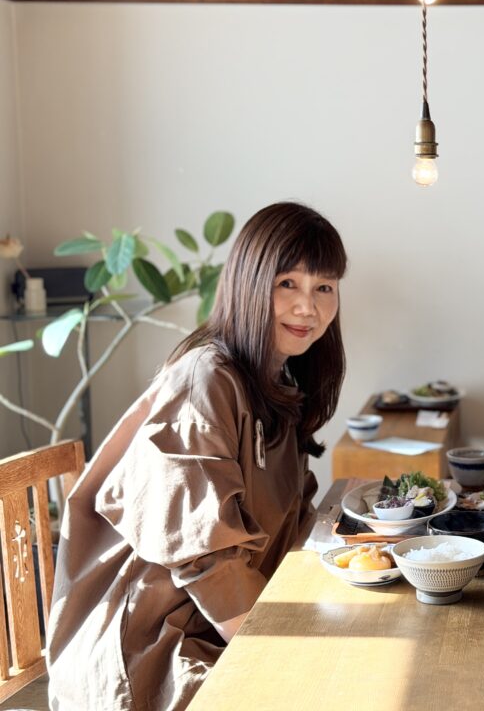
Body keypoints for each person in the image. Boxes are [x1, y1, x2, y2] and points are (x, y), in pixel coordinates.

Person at [46, 202, 347, 711]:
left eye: (324, 287)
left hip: (216, 624)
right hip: (150, 648)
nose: (307, 307)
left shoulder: (276, 382)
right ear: (249, 284)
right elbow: (206, 559)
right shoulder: (206, 380)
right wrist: (283, 658)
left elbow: (291, 518)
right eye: (287, 284)